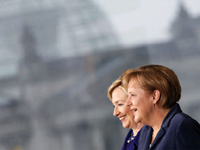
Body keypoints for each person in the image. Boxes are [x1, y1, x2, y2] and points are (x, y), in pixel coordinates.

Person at [122, 64, 200, 150]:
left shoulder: (182, 125)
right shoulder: (145, 131)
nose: (128, 103)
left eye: (133, 95)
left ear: (155, 96)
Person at [108, 71, 143, 150]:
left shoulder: (154, 137)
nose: (115, 113)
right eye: (114, 106)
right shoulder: (130, 138)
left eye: (120, 104)